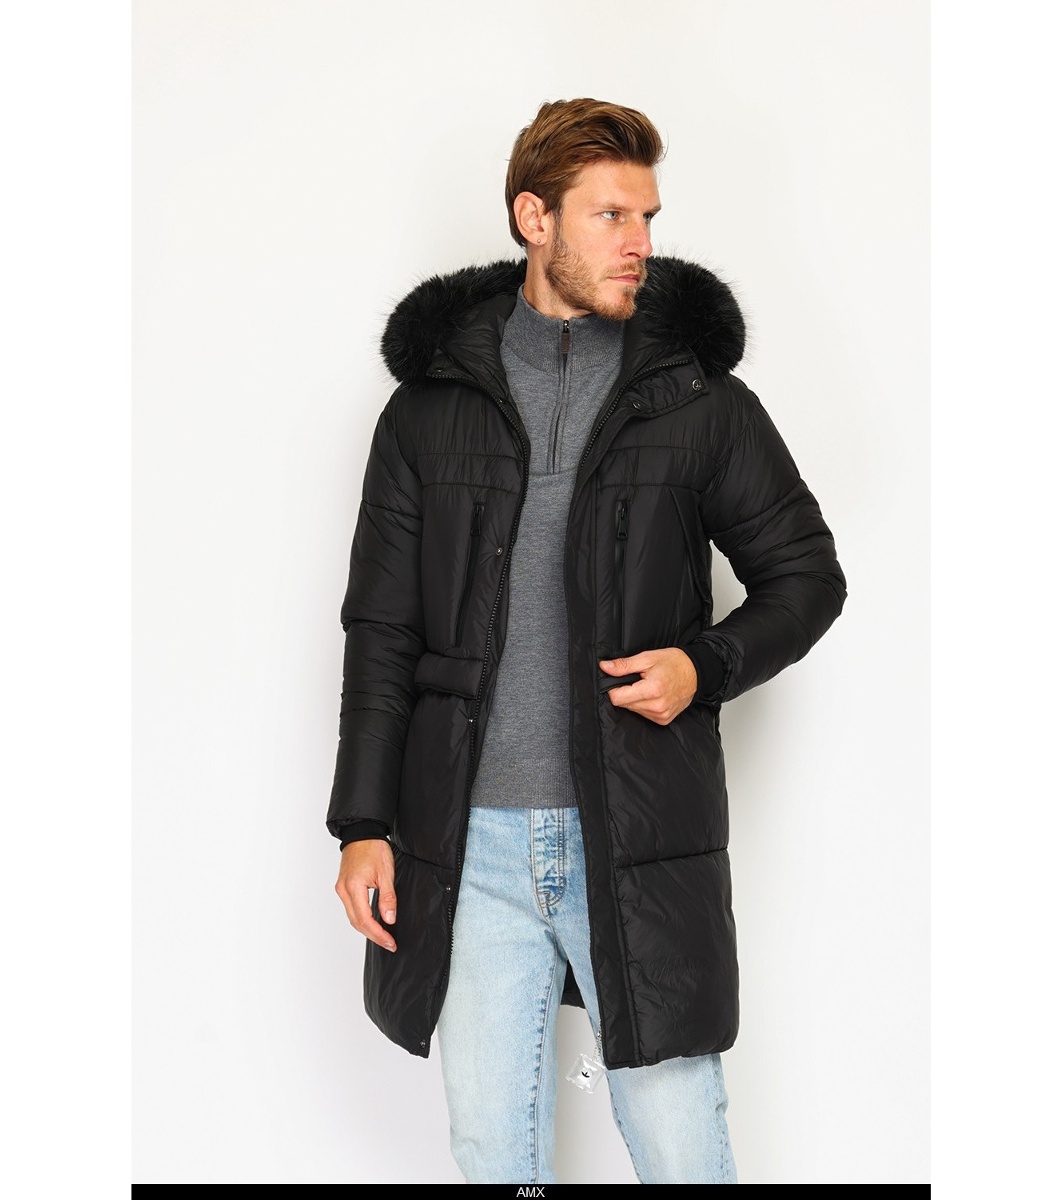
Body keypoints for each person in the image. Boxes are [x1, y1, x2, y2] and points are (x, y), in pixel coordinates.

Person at [327, 98, 846, 1185]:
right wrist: (365, 825)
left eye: (648, 216)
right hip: (467, 846)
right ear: (535, 219)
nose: (639, 242)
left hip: (637, 829)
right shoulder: (427, 413)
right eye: (611, 216)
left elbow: (806, 576)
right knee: (493, 1149)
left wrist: (706, 665)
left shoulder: (696, 400)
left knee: (680, 1139)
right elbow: (381, 629)